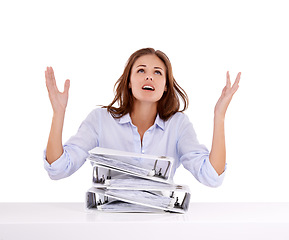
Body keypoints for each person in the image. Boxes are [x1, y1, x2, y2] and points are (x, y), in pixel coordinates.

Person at [44, 48, 241, 187]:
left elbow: (211, 177)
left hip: (160, 223)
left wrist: (219, 116)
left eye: (157, 72)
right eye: (141, 70)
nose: (149, 77)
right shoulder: (100, 120)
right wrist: (58, 113)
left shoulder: (178, 125)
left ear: (165, 86)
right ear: (129, 81)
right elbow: (59, 169)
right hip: (108, 221)